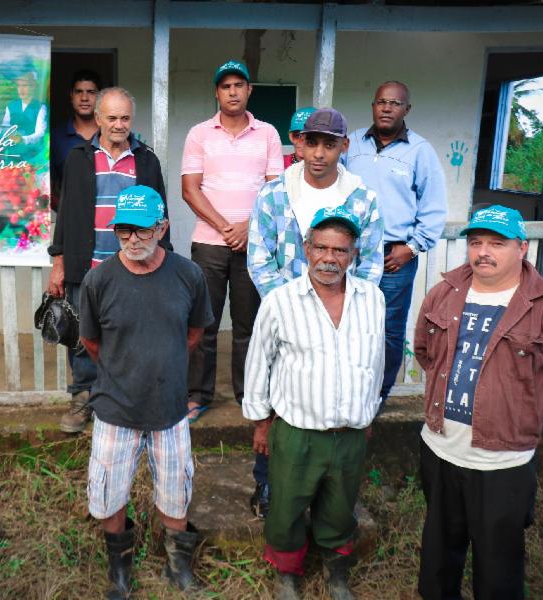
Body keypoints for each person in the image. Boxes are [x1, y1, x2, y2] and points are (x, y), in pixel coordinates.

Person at [414, 205, 543, 600]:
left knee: (498, 571)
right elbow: (425, 351)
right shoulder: (445, 292)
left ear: (522, 248)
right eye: (476, 242)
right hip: (440, 451)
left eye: (497, 243)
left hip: (502, 466)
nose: (484, 252)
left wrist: (524, 416)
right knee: (437, 562)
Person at [246, 107, 383, 518]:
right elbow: (259, 257)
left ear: (343, 146)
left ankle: (329, 492)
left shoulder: (362, 199)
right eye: (311, 142)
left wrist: (344, 303)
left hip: (342, 315)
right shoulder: (274, 194)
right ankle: (267, 482)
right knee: (276, 395)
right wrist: (289, 305)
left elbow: (372, 261)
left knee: (327, 392)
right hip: (287, 314)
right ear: (299, 144)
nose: (319, 153)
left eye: (329, 144)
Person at [244, 206, 385, 600]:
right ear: (306, 249)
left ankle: (336, 570)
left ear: (353, 255)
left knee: (340, 507)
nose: (329, 258)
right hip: (297, 430)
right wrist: (260, 421)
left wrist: (368, 410)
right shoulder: (281, 301)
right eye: (321, 247)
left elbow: (376, 359)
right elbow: (259, 360)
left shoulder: (371, 299)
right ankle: (287, 573)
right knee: (287, 505)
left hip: (350, 431)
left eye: (339, 251)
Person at [80, 185, 213, 598]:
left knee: (176, 491)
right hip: (115, 408)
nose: (132, 240)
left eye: (141, 231)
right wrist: (128, 369)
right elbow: (92, 343)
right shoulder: (98, 280)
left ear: (163, 228)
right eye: (123, 231)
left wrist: (162, 362)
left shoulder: (188, 275)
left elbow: (193, 334)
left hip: (171, 408)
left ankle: (178, 565)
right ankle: (120, 569)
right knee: (108, 494)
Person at [47, 87, 171, 434]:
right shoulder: (79, 157)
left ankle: (125, 396)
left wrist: (162, 260)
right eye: (112, 118)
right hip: (86, 265)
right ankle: (84, 396)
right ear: (98, 119)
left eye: (125, 118)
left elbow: (160, 214)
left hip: (132, 264)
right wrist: (59, 262)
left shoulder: (146, 160)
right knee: (83, 335)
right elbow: (67, 212)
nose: (119, 125)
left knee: (131, 334)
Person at [181, 59, 283, 424]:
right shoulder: (199, 134)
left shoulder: (268, 133)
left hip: (253, 246)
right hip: (209, 244)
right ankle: (199, 394)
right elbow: (189, 190)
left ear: (249, 90)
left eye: (239, 84)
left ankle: (248, 394)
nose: (233, 91)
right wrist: (228, 227)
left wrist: (247, 228)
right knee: (203, 322)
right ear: (216, 92)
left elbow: (276, 191)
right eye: (226, 86)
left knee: (248, 324)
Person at [344, 81, 447, 406]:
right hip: (352, 254)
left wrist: (413, 247)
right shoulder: (353, 144)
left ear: (407, 110)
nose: (387, 108)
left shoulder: (420, 151)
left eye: (395, 103)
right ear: (373, 106)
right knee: (347, 323)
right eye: (381, 102)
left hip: (394, 256)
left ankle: (377, 396)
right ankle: (349, 389)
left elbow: (434, 206)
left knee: (387, 330)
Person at [49, 70, 101, 211]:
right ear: (71, 96)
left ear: (100, 97)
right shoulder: (56, 137)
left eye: (91, 92)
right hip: (70, 221)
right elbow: (49, 186)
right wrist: (65, 213)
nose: (84, 97)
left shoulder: (110, 134)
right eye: (79, 92)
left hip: (108, 222)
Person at [2, 71, 48, 148]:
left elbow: (40, 134)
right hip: (12, 149)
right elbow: (5, 126)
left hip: (32, 153)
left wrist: (23, 140)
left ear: (33, 86)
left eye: (25, 85)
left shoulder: (41, 108)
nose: (21, 89)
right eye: (18, 86)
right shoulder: (11, 105)